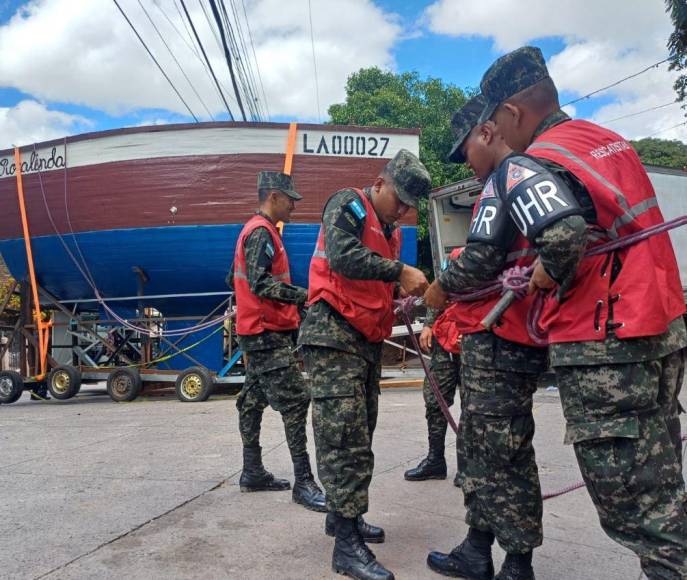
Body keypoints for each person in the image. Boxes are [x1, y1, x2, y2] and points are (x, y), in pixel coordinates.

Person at [477, 46, 687, 579]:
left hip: (606, 340)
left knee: (633, 505)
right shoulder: (602, 140)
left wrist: (549, 267)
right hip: (659, 326)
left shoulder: (533, 161)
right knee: (662, 488)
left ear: (510, 113)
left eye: (498, 123)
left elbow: (565, 235)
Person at [424, 95, 553, 580]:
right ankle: (478, 549)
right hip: (499, 337)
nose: (467, 165)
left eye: (465, 153)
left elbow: (478, 260)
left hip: (501, 340)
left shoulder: (506, 177)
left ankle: (517, 563)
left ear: (485, 134)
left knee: (502, 452)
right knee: (483, 447)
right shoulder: (520, 177)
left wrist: (439, 288)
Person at [299, 149, 431, 580]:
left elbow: (372, 289)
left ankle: (346, 519)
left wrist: (401, 301)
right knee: (343, 440)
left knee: (361, 433)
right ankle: (346, 548)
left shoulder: (388, 231)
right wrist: (398, 273)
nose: (405, 210)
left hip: (363, 342)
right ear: (379, 184)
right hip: (333, 337)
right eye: (401, 200)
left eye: (411, 206)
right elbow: (343, 258)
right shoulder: (349, 204)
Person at [230, 170, 325, 513]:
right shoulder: (261, 233)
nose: (294, 206)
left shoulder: (254, 231)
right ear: (273, 196)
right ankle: (304, 482)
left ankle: (252, 471)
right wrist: (304, 296)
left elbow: (234, 278)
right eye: (290, 199)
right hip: (264, 333)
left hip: (257, 329)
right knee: (298, 400)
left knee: (251, 402)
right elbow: (258, 282)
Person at [404, 248, 463, 487]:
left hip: (475, 338)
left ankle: (469, 466)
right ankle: (435, 460)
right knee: (435, 399)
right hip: (445, 341)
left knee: (473, 406)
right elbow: (439, 289)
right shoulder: (457, 257)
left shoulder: (494, 258)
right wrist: (429, 324)